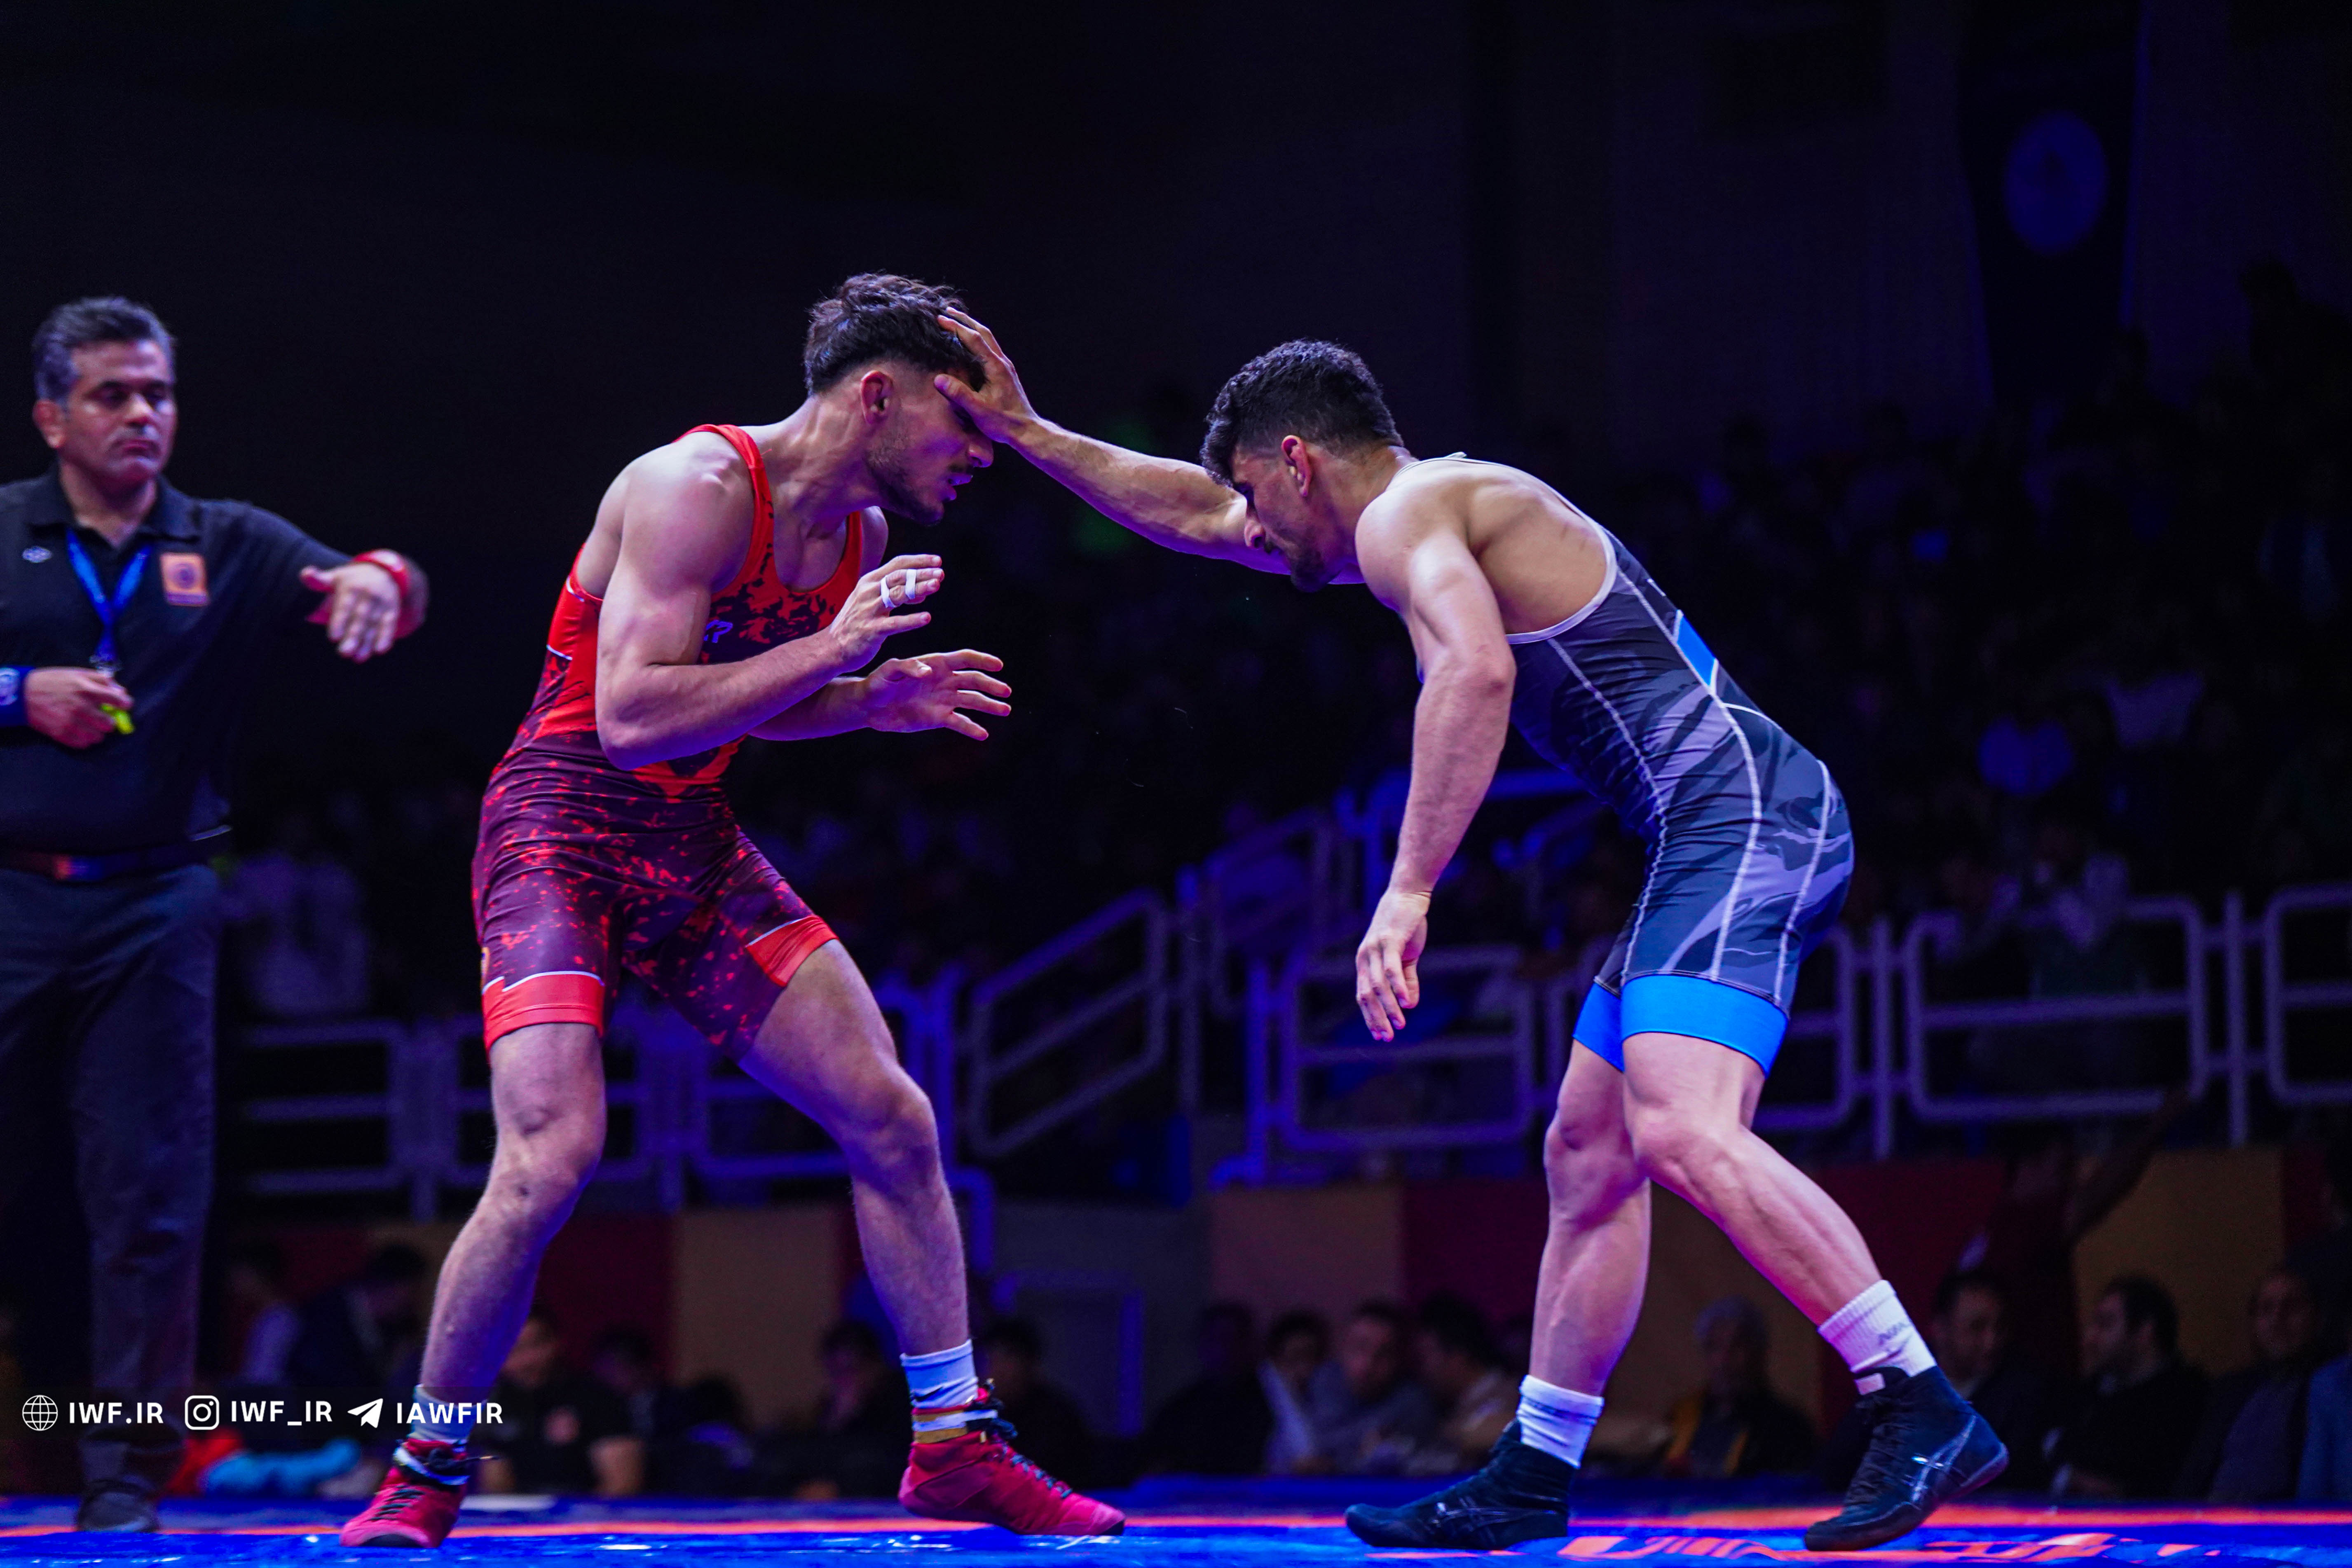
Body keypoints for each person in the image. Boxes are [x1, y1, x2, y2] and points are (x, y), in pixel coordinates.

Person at [932, 314, 2003, 1549]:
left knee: (1680, 1125)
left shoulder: (1406, 515)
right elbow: (1189, 511)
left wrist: (1408, 887)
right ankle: (1534, 1469)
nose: (1251, 530)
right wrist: (1026, 431)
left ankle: (1917, 1395)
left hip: (1748, 814)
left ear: (1298, 461)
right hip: (1714, 826)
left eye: (1257, 496)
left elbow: (1476, 673)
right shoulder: (1421, 510)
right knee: (1588, 1151)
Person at [337, 275, 1117, 1546]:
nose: (983, 452)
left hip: (690, 841)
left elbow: (748, 697)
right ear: (878, 395)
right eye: (965, 421)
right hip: (556, 836)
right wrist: (838, 657)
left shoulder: (858, 536)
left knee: (892, 1113)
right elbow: (632, 714)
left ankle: (955, 1440)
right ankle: (424, 1470)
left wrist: (864, 701)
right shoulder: (690, 486)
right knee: (549, 1156)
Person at [0, 296, 427, 1532]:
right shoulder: (4, 530)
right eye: (112, 394)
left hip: (157, 904)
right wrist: (22, 693)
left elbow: (379, 582)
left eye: (159, 393)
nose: (143, 414)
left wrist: (381, 581)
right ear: (52, 416)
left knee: (151, 1195)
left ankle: (123, 1478)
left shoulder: (227, 541)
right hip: (10, 890)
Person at [2050, 1276, 2207, 1498]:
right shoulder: (2091, 1392)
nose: (2091, 1338)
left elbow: (2165, 1489)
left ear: (2145, 1331)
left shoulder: (2185, 1400)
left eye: (2106, 1324)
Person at [2177, 1266, 2322, 1501]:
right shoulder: (2229, 1391)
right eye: (2266, 1309)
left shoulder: (2328, 1390)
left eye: (2292, 1307)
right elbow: (2194, 1473)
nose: (2277, 1320)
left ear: (2317, 1318)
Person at [473, 1308, 636, 1498]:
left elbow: (622, 1486)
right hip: (522, 1515)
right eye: (513, 1350)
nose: (528, 1361)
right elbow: (496, 1488)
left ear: (557, 1343)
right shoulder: (497, 1403)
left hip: (586, 1513)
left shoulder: (598, 1399)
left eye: (535, 1345)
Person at [753, 1318, 910, 1502]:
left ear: (876, 1367)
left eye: (853, 1369)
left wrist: (840, 1488)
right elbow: (812, 1459)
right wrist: (838, 1419)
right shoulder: (825, 1414)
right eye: (837, 1371)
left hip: (881, 1506)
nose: (846, 1381)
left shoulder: (899, 1410)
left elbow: (885, 1465)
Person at [1659, 1297, 1817, 1479]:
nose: (1724, 1360)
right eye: (1715, 1347)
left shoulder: (1787, 1428)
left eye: (1737, 1346)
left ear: (1759, 1353)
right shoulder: (1682, 1416)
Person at [1139, 1302, 1272, 1476]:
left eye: (1235, 1339)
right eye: (1218, 1339)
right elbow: (1155, 1466)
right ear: (1202, 1345)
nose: (1227, 1348)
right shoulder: (1181, 1410)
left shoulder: (1274, 1404)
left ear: (1251, 1344)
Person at [1306, 1302, 1438, 1475]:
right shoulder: (1324, 1381)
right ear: (1343, 1347)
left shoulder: (1414, 1402)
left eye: (1384, 1354)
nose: (1368, 1364)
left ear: (1400, 1360)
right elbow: (1316, 1446)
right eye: (1360, 1347)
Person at [286, 1243, 429, 1402]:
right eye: (413, 1293)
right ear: (391, 1288)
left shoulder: (398, 1329)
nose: (416, 1302)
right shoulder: (323, 1321)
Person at [978, 1319, 1095, 1489]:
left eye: (1007, 1358)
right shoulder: (979, 1415)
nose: (997, 1369)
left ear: (1029, 1363)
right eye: (990, 1359)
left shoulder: (1056, 1418)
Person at [1407, 1294, 1514, 1475]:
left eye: (1425, 1356)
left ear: (1458, 1357)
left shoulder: (1512, 1397)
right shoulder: (1449, 1406)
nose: (1421, 1368)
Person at [1260, 1310, 1330, 1474]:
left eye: (1311, 1357)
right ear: (1276, 1360)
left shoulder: (1333, 1399)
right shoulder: (1257, 1405)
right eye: (1294, 1358)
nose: (1304, 1369)